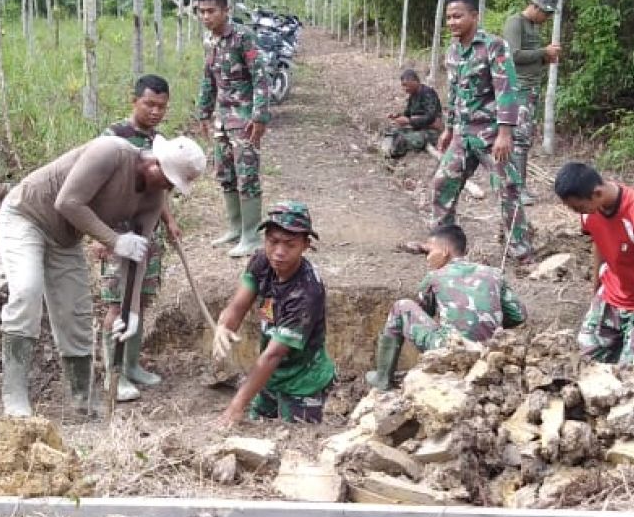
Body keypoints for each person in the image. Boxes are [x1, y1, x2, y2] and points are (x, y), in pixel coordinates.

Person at [0, 132, 206, 418]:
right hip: (27, 215)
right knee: (27, 291)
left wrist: (130, 312)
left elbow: (138, 256)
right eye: (169, 181)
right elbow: (67, 202)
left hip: (65, 239)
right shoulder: (111, 153)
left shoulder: (153, 198)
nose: (168, 189)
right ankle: (15, 394)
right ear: (155, 164)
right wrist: (115, 241)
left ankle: (82, 399)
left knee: (76, 313)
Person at [94, 74, 184, 402]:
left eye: (162, 106)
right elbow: (95, 187)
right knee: (118, 303)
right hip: (116, 232)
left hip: (148, 233)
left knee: (140, 300)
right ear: (134, 101)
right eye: (149, 104)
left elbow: (161, 188)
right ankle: (112, 374)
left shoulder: (160, 142)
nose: (156, 111)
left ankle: (131, 365)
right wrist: (99, 236)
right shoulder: (113, 137)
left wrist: (170, 221)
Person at [212, 201, 336, 427]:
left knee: (297, 440)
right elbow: (239, 304)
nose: (279, 252)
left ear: (305, 245)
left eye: (290, 244)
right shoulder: (262, 260)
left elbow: (273, 354)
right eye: (273, 241)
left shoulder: (306, 292)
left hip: (303, 380)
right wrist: (224, 325)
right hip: (271, 377)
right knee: (256, 427)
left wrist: (236, 405)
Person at [432, 0, 533, 262]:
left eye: (458, 16)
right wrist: (449, 128)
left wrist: (505, 132)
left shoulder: (494, 46)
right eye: (449, 17)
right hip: (463, 134)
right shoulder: (453, 51)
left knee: (508, 186)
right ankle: (442, 242)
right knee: (443, 182)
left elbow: (506, 89)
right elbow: (453, 91)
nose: (452, 22)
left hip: (490, 133)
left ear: (474, 16)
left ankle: (517, 245)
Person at [366, 224, 525, 389]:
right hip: (491, 351)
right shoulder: (494, 273)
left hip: (452, 349)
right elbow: (519, 315)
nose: (427, 258)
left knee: (401, 307)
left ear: (444, 251)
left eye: (429, 252)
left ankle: (382, 378)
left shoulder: (435, 277)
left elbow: (422, 315)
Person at [554, 162, 634, 364]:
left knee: (632, 377)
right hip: (610, 295)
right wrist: (596, 292)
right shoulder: (589, 213)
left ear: (597, 193)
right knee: (580, 362)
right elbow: (599, 242)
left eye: (578, 207)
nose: (577, 213)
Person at [194, 0, 271, 259]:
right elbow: (208, 77)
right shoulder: (209, 40)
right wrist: (203, 112)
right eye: (201, 11)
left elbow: (261, 77)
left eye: (211, 11)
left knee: (247, 175)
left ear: (226, 10)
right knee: (225, 173)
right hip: (222, 119)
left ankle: (251, 236)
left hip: (244, 118)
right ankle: (236, 229)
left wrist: (260, 115)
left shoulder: (243, 37)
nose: (205, 16)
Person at [502, 0, 561, 205]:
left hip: (530, 90)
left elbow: (531, 57)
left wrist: (546, 58)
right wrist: (543, 52)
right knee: (518, 141)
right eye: (546, 13)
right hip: (518, 91)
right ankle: (516, 190)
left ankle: (519, 186)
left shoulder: (533, 27)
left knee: (524, 141)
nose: (546, 18)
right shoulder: (515, 23)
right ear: (535, 6)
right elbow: (512, 55)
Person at [382, 69, 442, 158]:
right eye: (403, 86)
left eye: (406, 85)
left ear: (415, 81)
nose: (404, 89)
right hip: (417, 128)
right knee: (391, 131)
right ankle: (389, 150)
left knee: (402, 140)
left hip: (431, 131)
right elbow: (408, 114)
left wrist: (409, 121)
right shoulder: (413, 96)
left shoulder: (428, 93)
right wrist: (397, 116)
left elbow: (431, 117)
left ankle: (393, 153)